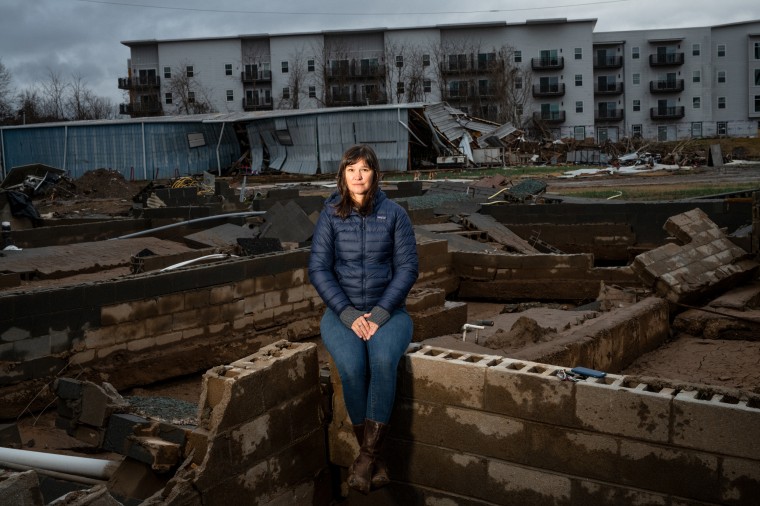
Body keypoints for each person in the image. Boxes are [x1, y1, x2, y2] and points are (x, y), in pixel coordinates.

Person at [308, 144, 418, 494]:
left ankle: (366, 458)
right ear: (342, 174)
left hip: (390, 313)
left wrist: (381, 313)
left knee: (384, 361)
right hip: (342, 313)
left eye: (365, 169)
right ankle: (373, 459)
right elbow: (319, 269)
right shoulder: (329, 214)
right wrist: (350, 313)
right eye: (351, 168)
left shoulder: (396, 214)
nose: (357, 175)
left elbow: (408, 269)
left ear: (375, 174)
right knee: (353, 368)